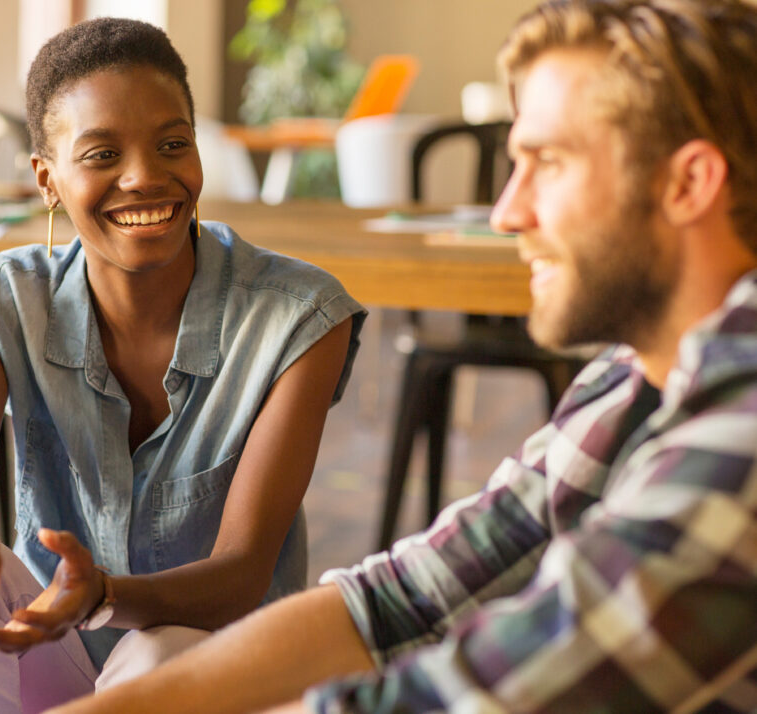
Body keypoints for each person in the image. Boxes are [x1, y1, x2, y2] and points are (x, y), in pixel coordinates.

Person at [48, 1, 757, 712]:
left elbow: (476, 698)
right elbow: (398, 602)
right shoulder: (631, 381)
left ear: (688, 184)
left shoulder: (743, 433)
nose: (507, 212)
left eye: (547, 162)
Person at [0, 16, 365, 713]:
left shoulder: (298, 317)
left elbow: (241, 575)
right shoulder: (0, 298)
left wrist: (103, 598)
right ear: (47, 179)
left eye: (173, 144)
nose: (145, 177)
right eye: (102, 155)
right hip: (56, 642)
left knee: (156, 649)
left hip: (221, 665)